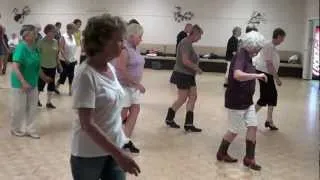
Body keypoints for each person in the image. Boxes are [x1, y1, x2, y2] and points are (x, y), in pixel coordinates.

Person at [70, 13, 141, 180]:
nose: (123, 45)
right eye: (118, 40)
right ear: (102, 41)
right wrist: (119, 154)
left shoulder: (109, 67)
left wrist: (121, 144)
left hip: (114, 148)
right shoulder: (86, 75)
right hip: (89, 154)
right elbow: (87, 124)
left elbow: (112, 113)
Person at [216, 31, 267, 171]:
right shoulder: (241, 55)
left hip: (247, 100)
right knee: (234, 130)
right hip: (236, 100)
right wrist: (256, 75)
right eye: (258, 48)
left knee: (253, 126)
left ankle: (249, 158)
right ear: (252, 45)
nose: (258, 51)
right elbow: (237, 75)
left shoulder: (249, 57)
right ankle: (221, 152)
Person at [10, 25, 52, 139]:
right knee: (19, 108)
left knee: (32, 108)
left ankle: (30, 129)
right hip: (20, 84)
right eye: (34, 33)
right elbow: (15, 67)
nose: (36, 35)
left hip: (33, 83)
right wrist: (23, 82)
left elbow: (37, 67)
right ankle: (16, 129)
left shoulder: (35, 48)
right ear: (26, 35)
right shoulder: (21, 48)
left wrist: (44, 77)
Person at [165, 25, 203, 132]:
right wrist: (197, 68)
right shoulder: (185, 42)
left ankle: (188, 124)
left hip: (188, 75)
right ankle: (169, 118)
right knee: (182, 98)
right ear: (195, 34)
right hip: (182, 74)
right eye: (199, 36)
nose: (200, 38)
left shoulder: (188, 43)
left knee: (193, 97)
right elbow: (185, 61)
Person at [114, 23, 145, 153]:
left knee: (136, 109)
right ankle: (114, 141)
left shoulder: (135, 48)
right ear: (131, 36)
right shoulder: (124, 49)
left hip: (133, 88)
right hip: (124, 86)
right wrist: (136, 83)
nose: (141, 39)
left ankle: (125, 140)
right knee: (122, 113)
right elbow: (120, 69)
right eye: (140, 36)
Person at [254, 28, 286, 130]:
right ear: (278, 36)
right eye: (282, 38)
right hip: (264, 73)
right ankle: (249, 117)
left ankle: (269, 120)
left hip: (268, 73)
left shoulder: (272, 46)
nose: (283, 41)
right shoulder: (268, 46)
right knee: (265, 97)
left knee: (272, 96)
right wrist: (277, 78)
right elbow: (269, 64)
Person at [37, 24, 62, 109]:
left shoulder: (55, 41)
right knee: (40, 86)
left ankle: (48, 102)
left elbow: (56, 55)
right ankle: (36, 100)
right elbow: (36, 56)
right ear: (47, 32)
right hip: (42, 67)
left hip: (53, 67)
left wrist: (59, 64)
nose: (55, 33)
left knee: (51, 85)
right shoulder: (40, 42)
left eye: (55, 32)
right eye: (53, 32)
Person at [56, 23, 77, 96]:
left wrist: (74, 58)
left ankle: (70, 90)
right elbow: (61, 48)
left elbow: (74, 48)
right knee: (63, 75)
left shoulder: (73, 36)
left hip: (72, 60)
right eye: (74, 28)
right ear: (69, 29)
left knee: (71, 75)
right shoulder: (63, 37)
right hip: (64, 60)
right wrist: (66, 58)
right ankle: (56, 86)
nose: (75, 30)